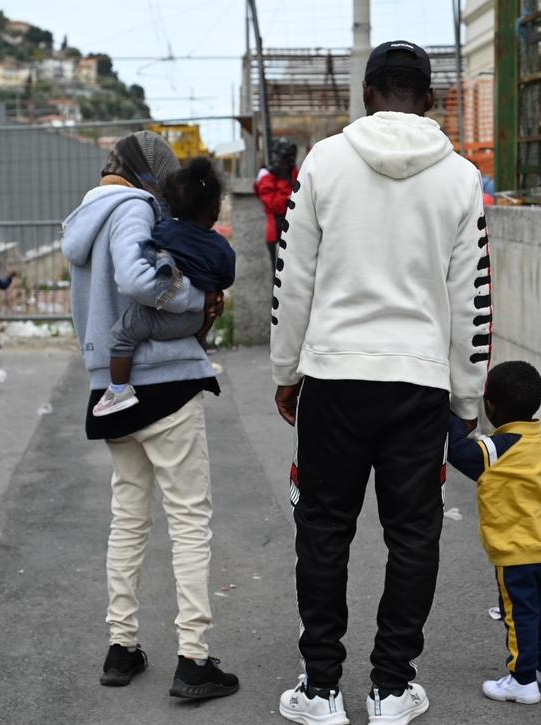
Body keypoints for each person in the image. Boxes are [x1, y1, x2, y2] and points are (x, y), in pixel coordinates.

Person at [271, 40, 492, 725]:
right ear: (429, 99)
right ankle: (393, 688)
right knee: (414, 534)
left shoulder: (325, 164)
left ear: (367, 94)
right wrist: (465, 395)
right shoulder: (460, 178)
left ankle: (321, 689)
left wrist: (287, 374)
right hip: (418, 383)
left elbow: (293, 280)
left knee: (324, 529)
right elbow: (471, 299)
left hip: (335, 377)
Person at [62, 130, 238, 700]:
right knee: (189, 521)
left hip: (110, 388)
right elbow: (137, 279)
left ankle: (122, 646)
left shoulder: (83, 217)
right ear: (149, 176)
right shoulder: (134, 206)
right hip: (162, 380)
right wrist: (196, 299)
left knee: (129, 517)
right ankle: (193, 660)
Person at [447, 360, 541, 705]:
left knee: (519, 614)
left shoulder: (496, 449)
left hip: (514, 550)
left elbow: (459, 452)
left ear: (491, 406)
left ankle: (522, 680)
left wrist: (448, 412)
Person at [93, 157, 236, 417]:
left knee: (123, 333)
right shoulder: (221, 247)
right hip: (199, 320)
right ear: (215, 210)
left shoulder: (163, 231)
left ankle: (118, 390)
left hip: (166, 314)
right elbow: (226, 278)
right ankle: (199, 352)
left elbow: (141, 263)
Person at [254, 138, 299, 272]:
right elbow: (275, 205)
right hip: (276, 234)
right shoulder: (266, 177)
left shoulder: (292, 171)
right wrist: (284, 181)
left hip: (295, 231)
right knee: (279, 276)